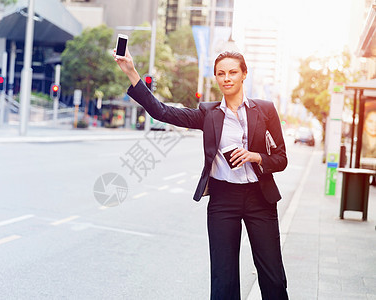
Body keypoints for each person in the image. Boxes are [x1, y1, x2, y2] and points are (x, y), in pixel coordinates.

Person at [114, 48, 289, 300]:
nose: (226, 78)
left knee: (272, 275)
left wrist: (255, 156)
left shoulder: (265, 110)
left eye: (232, 72)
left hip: (260, 199)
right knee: (223, 276)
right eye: (221, 73)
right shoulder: (208, 114)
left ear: (244, 75)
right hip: (223, 200)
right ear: (216, 78)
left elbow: (281, 159)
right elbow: (161, 111)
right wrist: (131, 72)